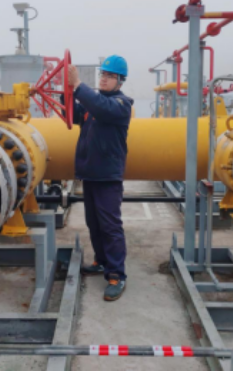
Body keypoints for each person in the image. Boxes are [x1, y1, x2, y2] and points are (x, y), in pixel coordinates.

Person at [66, 56, 134, 302]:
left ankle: (116, 275)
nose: (104, 79)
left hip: (107, 177)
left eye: (109, 76)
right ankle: (101, 261)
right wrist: (65, 91)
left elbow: (102, 107)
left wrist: (78, 85)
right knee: (94, 223)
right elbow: (72, 113)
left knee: (110, 226)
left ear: (120, 81)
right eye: (102, 74)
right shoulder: (93, 106)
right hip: (91, 174)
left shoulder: (121, 105)